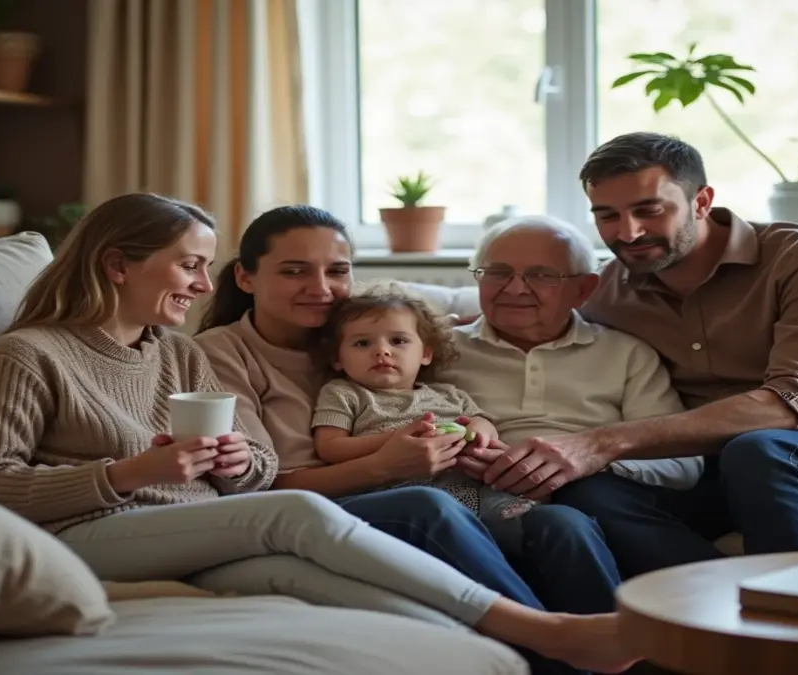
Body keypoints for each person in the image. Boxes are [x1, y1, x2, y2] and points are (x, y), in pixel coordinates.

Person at [0, 192, 640, 675]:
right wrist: (130, 473)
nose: (199, 282)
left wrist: (233, 457)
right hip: (90, 530)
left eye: (203, 265)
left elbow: (252, 468)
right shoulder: (28, 354)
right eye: (189, 263)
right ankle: (547, 631)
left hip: (198, 527)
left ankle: (530, 663)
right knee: (298, 511)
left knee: (336, 584)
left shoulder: (177, 352)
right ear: (115, 263)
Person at [457, 132, 798, 580]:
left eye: (649, 209)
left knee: (760, 450)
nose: (628, 232)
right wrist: (439, 334)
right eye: (607, 216)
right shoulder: (609, 289)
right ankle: (712, 611)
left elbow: (794, 405)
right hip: (714, 464)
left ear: (701, 201)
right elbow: (534, 314)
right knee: (585, 490)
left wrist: (599, 443)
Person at [193, 204, 631, 673]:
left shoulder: (366, 333)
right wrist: (386, 464)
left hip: (433, 489)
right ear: (245, 278)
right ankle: (557, 652)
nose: (321, 289)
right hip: (312, 509)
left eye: (337, 271)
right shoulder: (219, 354)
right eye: (294, 271)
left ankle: (626, 647)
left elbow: (430, 329)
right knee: (428, 507)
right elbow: (259, 488)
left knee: (564, 522)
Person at [441, 214, 704, 510]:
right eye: (498, 273)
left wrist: (593, 464)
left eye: (541, 275)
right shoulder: (436, 350)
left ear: (583, 289)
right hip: (470, 501)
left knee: (592, 497)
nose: (514, 289)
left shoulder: (626, 354)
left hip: (598, 501)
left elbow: (683, 464)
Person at [310, 286, 538, 548]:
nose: (382, 351)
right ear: (338, 358)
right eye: (363, 343)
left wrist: (479, 431)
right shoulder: (343, 393)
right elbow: (329, 447)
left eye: (398, 341)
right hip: (398, 493)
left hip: (467, 489)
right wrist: (395, 439)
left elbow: (483, 421)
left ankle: (511, 529)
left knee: (523, 510)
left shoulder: (449, 394)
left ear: (426, 353)